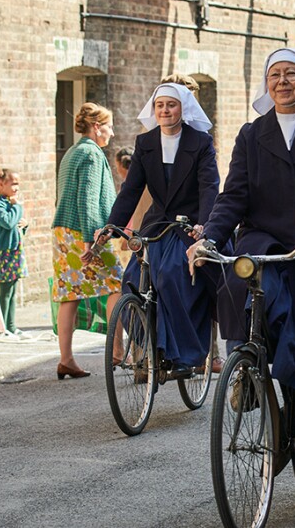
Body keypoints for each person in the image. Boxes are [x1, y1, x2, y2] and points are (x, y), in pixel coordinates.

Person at [188, 47, 295, 509]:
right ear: (267, 85)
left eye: (291, 75)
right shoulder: (251, 134)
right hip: (263, 240)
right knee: (238, 277)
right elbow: (233, 196)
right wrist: (210, 238)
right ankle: (247, 363)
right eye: (275, 76)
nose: (282, 82)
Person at [97, 82, 219, 379]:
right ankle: (153, 346)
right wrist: (112, 227)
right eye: (160, 105)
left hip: (187, 225)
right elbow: (132, 189)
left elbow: (209, 187)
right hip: (156, 223)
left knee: (169, 276)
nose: (165, 110)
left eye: (171, 105)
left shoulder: (200, 142)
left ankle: (182, 354)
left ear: (183, 108)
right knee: (132, 281)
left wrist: (205, 224)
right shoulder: (146, 142)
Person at [51, 102, 122, 379]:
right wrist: (91, 241)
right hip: (85, 232)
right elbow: (88, 199)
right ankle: (117, 351)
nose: (112, 133)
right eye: (109, 126)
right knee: (116, 283)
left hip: (63, 231)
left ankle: (66, 359)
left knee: (69, 295)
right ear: (97, 126)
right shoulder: (92, 154)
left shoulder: (71, 152)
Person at [0, 168, 28, 337]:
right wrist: (17, 207)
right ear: (0, 184)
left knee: (12, 290)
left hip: (15, 251)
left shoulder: (10, 204)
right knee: (5, 291)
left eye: (18, 184)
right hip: (3, 253)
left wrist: (24, 226)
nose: (16, 188)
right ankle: (1, 326)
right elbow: (8, 222)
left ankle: (11, 326)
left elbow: (16, 226)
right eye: (13, 183)